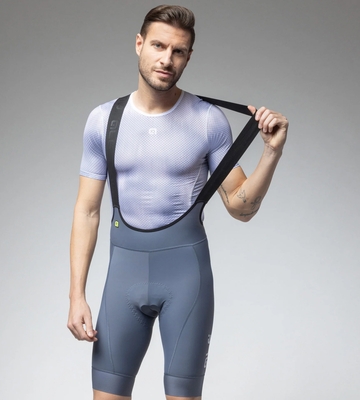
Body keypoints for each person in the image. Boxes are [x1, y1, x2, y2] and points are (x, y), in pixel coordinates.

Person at [67, 4, 288, 400]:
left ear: (188, 56)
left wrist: (271, 152)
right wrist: (76, 295)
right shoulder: (104, 120)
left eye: (178, 51)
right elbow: (87, 211)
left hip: (186, 281)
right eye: (158, 46)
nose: (167, 59)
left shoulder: (208, 120)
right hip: (122, 281)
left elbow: (241, 208)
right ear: (139, 44)